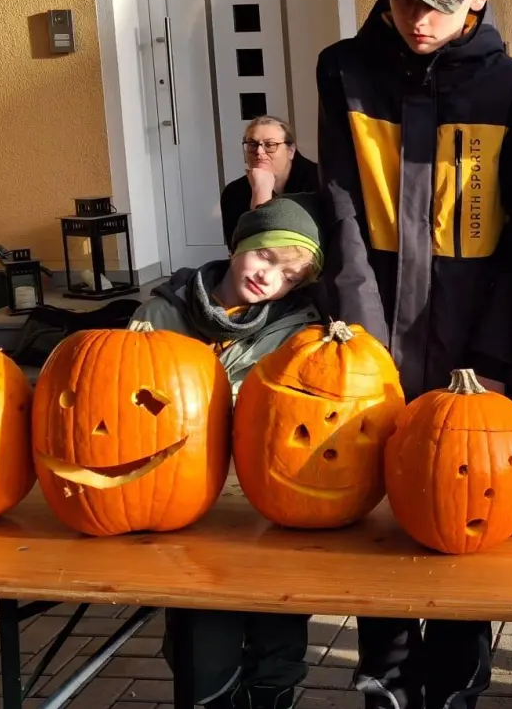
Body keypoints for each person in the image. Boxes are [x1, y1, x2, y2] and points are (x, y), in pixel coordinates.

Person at [316, 0, 512, 709]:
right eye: (404, 0)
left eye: (439, 3)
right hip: (373, 317)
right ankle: (383, 666)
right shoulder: (343, 71)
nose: (419, 19)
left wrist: (489, 349)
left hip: (471, 330)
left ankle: (457, 676)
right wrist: (357, 327)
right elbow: (338, 200)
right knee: (379, 492)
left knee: (462, 498)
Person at [138, 195, 325, 709]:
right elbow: (117, 392)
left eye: (288, 276)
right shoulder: (160, 312)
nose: (270, 278)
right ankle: (207, 695)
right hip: (180, 492)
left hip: (261, 493)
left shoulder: (297, 332)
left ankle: (272, 692)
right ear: (240, 245)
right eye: (266, 257)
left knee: (278, 610)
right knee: (203, 619)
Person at [220, 116, 322, 249]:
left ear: (290, 151)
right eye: (252, 144)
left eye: (270, 145)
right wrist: (260, 191)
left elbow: (274, 246)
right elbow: (243, 249)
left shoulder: (320, 183)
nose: (259, 152)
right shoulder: (233, 193)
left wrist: (261, 195)